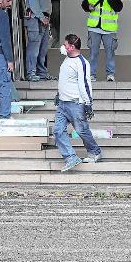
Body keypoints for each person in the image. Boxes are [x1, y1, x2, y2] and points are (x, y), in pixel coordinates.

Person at [53, 34, 102, 172]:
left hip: (75, 104)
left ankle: (95, 152)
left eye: (65, 45)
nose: (63, 47)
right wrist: (59, 94)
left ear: (72, 47)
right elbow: (65, 80)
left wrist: (87, 103)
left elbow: (85, 84)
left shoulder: (81, 63)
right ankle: (70, 157)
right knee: (57, 131)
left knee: (82, 130)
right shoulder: (67, 60)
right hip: (63, 104)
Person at [81, 0, 123, 82]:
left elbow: (118, 7)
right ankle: (91, 75)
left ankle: (110, 75)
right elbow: (84, 4)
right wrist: (88, 7)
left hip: (109, 30)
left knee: (110, 53)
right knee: (93, 54)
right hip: (94, 28)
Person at [25, 0, 56, 82]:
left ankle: (42, 73)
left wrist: (46, 18)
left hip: (44, 19)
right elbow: (33, 2)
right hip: (35, 19)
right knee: (34, 48)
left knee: (43, 49)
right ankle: (31, 72)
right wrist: (41, 17)